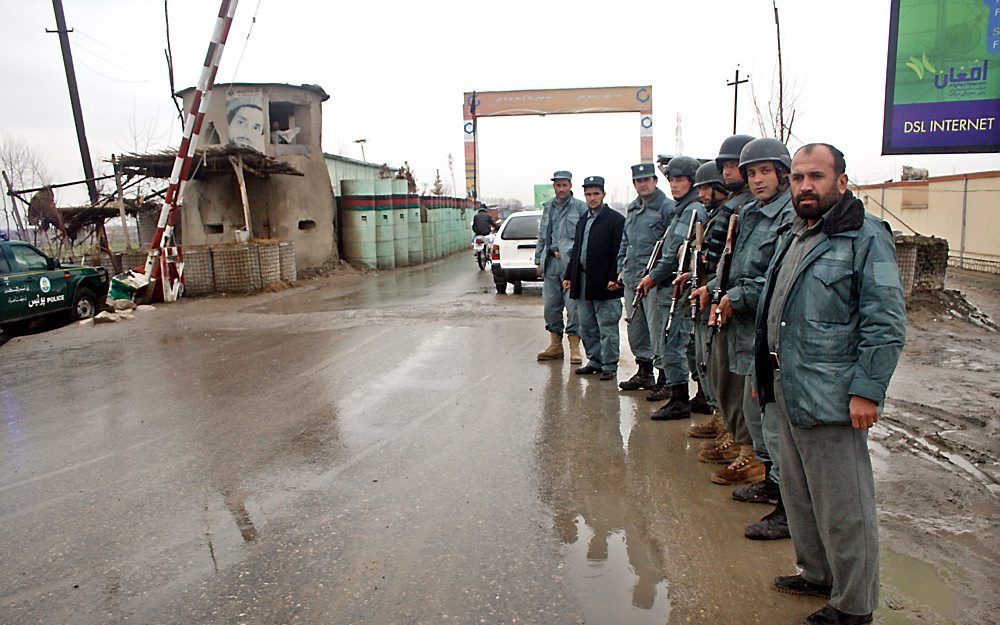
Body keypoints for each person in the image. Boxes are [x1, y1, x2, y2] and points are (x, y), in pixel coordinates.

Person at [755, 143, 906, 625]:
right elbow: (771, 313)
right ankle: (817, 573)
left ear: (841, 181)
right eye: (798, 177)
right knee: (799, 495)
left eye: (815, 176)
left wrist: (867, 390)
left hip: (834, 396)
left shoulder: (867, 237)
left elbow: (886, 324)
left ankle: (854, 604)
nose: (804, 186)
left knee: (845, 507)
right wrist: (764, 375)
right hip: (787, 388)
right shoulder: (796, 233)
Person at [690, 135, 756, 469]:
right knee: (716, 371)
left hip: (740, 306)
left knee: (737, 381)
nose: (729, 173)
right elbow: (725, 261)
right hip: (719, 296)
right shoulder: (732, 208)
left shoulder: (745, 209)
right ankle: (730, 433)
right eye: (725, 166)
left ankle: (745, 448)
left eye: (734, 166)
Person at [637, 156, 707, 420]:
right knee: (685, 344)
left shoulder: (692, 211)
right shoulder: (683, 209)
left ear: (693, 181)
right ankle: (700, 395)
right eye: (672, 180)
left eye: (679, 180)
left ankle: (680, 398)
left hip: (677, 286)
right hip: (674, 285)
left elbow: (674, 256)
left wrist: (652, 278)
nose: (674, 185)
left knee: (673, 343)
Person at [617, 164, 675, 393]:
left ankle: (665, 378)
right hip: (632, 279)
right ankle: (644, 372)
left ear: (655, 180)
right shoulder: (632, 209)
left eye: (647, 180)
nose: (642, 184)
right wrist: (621, 267)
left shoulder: (667, 208)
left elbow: (671, 247)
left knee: (657, 329)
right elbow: (625, 241)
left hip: (654, 282)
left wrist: (656, 274)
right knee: (636, 329)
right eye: (638, 181)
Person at [563, 176, 625, 381]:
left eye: (596, 193)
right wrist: (569, 276)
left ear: (603, 195)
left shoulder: (615, 220)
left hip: (606, 283)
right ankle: (595, 361)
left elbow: (619, 251)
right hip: (583, 281)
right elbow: (577, 250)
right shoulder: (583, 220)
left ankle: (609, 365)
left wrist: (614, 277)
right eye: (588, 194)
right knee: (587, 325)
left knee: (607, 326)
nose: (592, 198)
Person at [685, 161, 730, 437]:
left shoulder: (727, 214)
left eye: (706, 188)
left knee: (717, 364)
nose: (702, 194)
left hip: (715, 295)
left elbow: (720, 261)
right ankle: (719, 418)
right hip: (704, 290)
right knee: (705, 361)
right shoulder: (714, 214)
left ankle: (729, 429)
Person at [535, 171, 587, 364]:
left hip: (571, 265)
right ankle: (555, 346)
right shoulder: (548, 207)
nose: (562, 189)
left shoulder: (580, 207)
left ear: (570, 185)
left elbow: (584, 237)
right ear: (554, 186)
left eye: (565, 185)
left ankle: (574, 347)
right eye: (558, 185)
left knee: (573, 307)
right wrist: (538, 260)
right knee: (550, 306)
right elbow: (542, 234)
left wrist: (581, 264)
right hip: (551, 263)